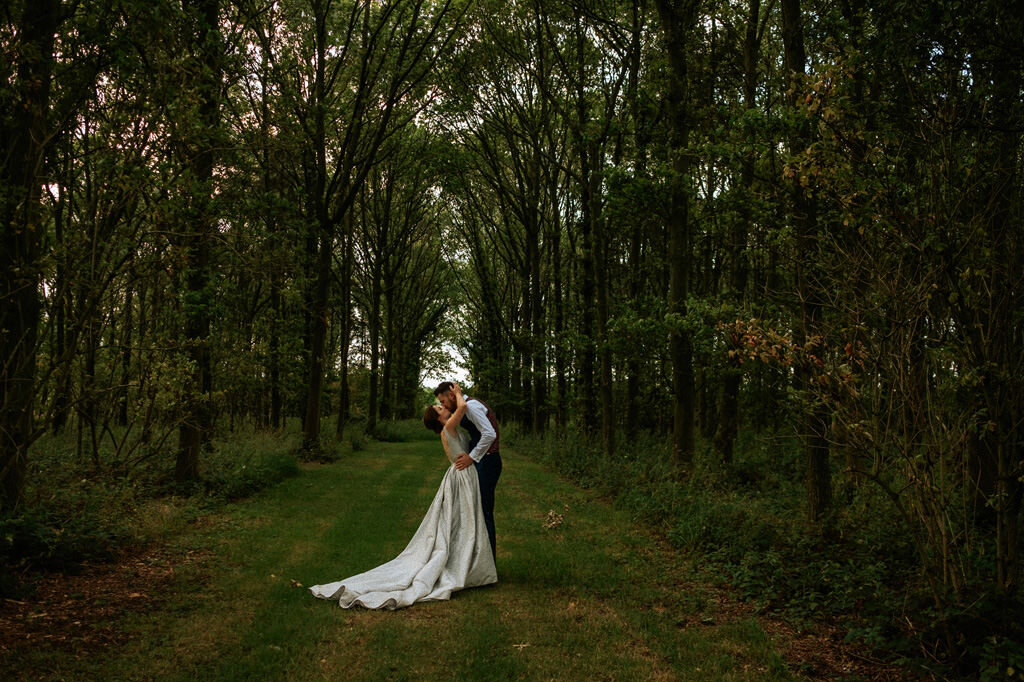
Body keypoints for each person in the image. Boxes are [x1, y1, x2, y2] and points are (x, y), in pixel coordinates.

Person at [309, 383, 496, 609]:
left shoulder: (449, 429)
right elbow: (463, 406)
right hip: (463, 476)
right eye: (439, 408)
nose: (443, 406)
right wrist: (456, 393)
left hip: (462, 475)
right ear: (438, 419)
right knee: (465, 521)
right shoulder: (449, 428)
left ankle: (473, 560)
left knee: (463, 521)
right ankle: (469, 562)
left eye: (442, 404)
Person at [433, 381, 501, 562]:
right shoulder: (463, 408)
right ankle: (479, 560)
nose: (443, 405)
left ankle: (488, 563)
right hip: (481, 461)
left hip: (487, 461)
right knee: (478, 512)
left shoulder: (470, 406)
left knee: (484, 512)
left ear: (451, 395)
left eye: (443, 401)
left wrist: (472, 456)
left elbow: (490, 434)